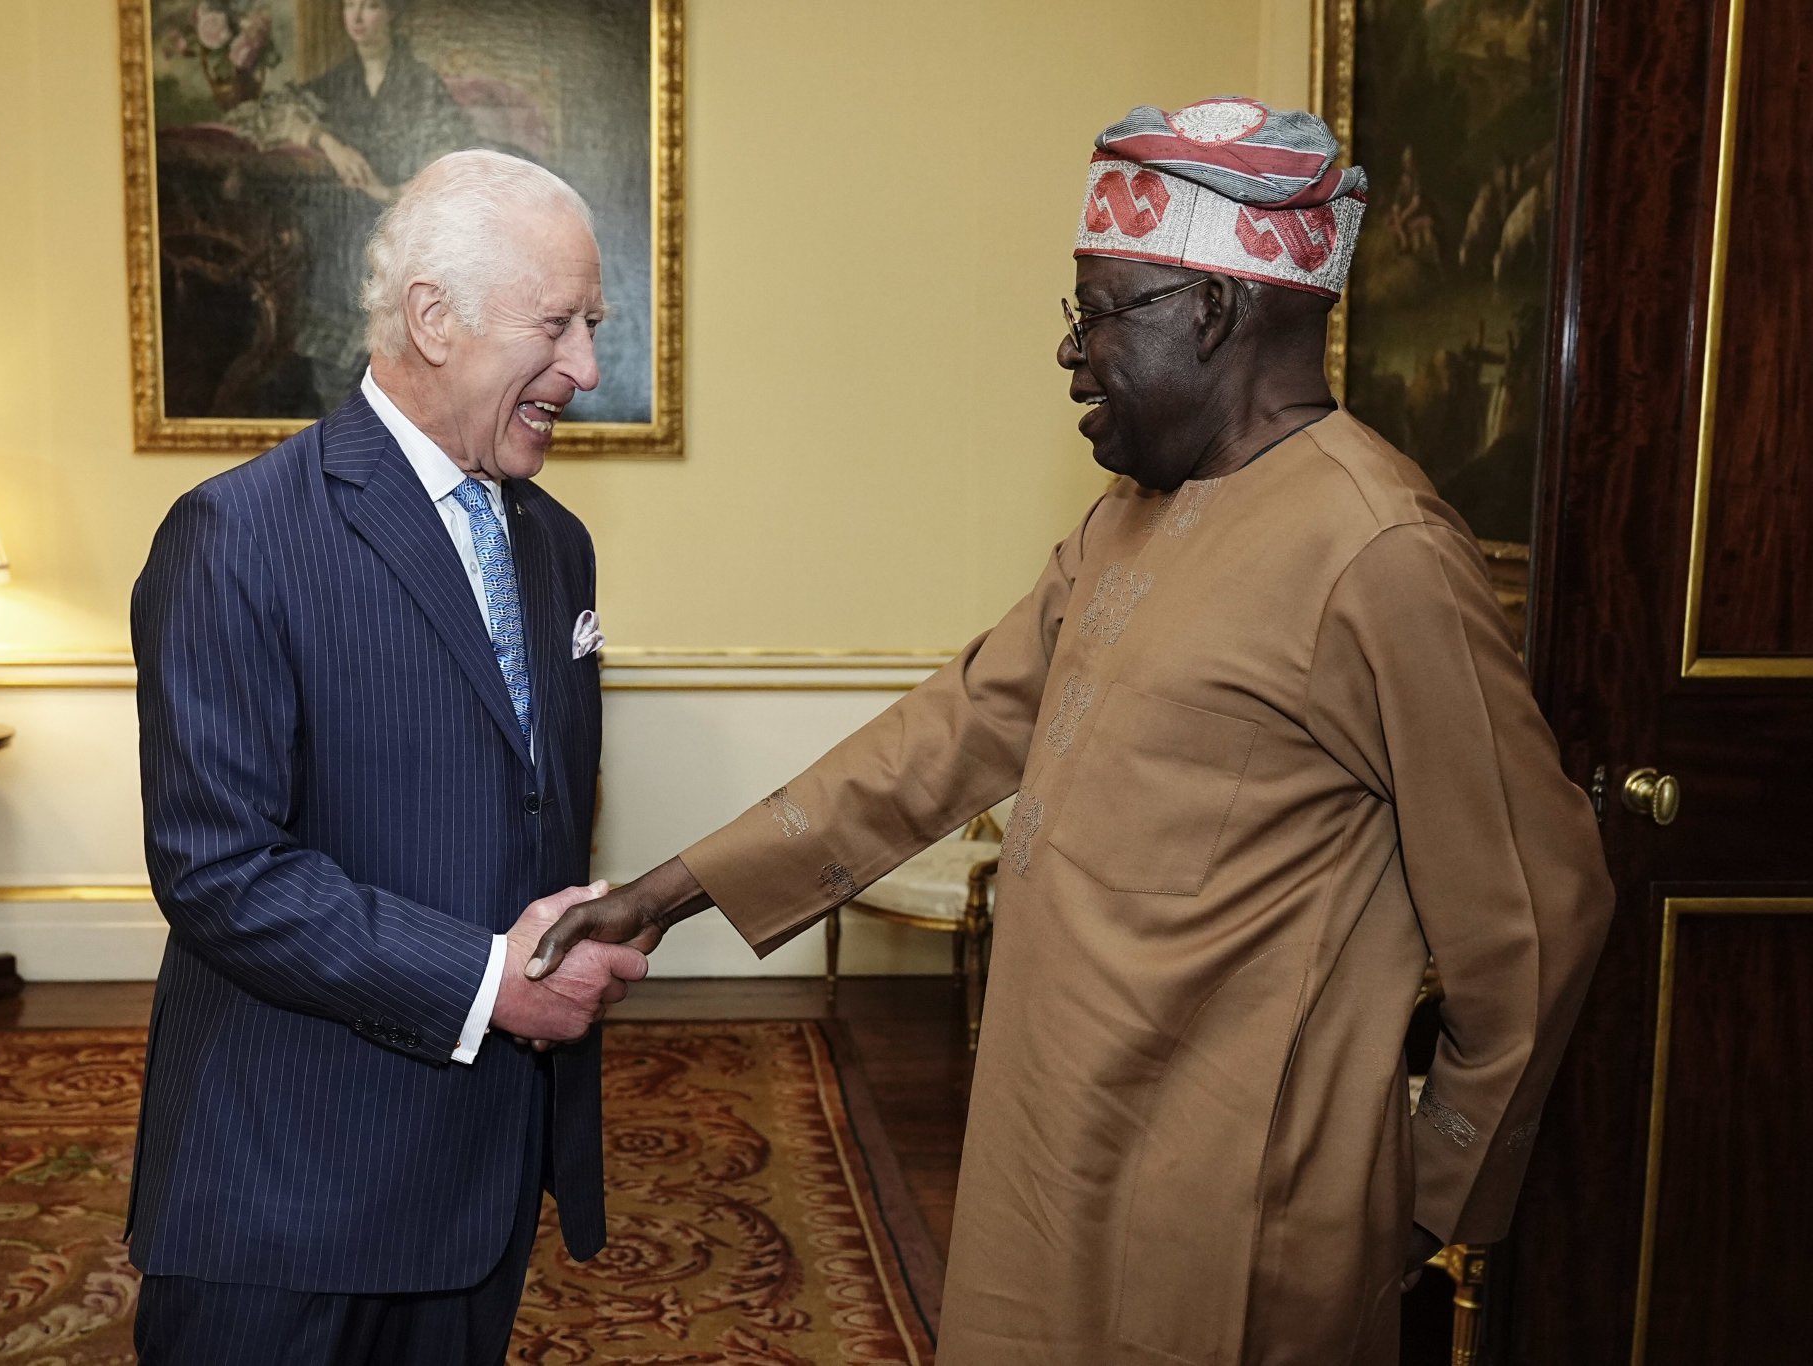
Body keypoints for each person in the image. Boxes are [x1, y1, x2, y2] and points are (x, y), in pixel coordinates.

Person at [527, 98, 1615, 1363]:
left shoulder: (1379, 550)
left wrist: (1426, 1191)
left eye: (1098, 312)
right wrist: (667, 892)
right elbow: (950, 730)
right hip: (1053, 1140)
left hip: (1226, 1209)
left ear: (1208, 310)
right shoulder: (1131, 514)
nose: (1071, 353)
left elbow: (1536, 912)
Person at [128, 149, 639, 1365]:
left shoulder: (556, 543)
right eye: (558, 323)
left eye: (592, 324)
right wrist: (488, 983)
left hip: (482, 1175)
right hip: (288, 1195)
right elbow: (218, 872)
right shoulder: (237, 536)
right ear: (432, 318)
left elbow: (528, 801)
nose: (584, 365)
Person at [294, 0, 482, 411]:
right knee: (335, 389)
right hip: (340, 242)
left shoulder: (420, 84)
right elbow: (277, 113)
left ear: (393, 13)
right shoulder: (333, 85)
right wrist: (329, 143)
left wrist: (389, 193)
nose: (358, 17)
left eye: (371, 5)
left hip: (401, 238)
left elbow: (454, 160)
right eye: (350, 6)